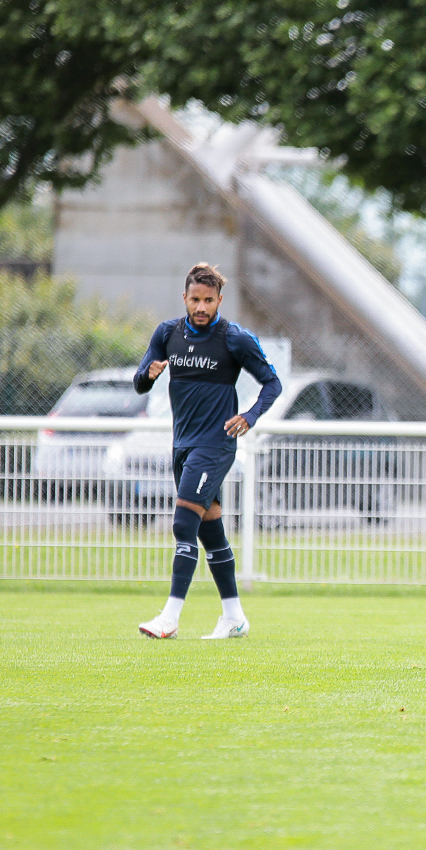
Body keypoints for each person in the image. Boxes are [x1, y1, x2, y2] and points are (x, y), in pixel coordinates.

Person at [135, 263, 281, 640]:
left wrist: (249, 415)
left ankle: (169, 617)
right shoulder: (167, 333)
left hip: (215, 445)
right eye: (195, 299)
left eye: (209, 300)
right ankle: (234, 617)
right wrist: (147, 375)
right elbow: (139, 383)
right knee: (210, 532)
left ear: (219, 300)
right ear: (184, 298)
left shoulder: (235, 339)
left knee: (183, 524)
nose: (202, 307)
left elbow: (272, 383)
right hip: (182, 444)